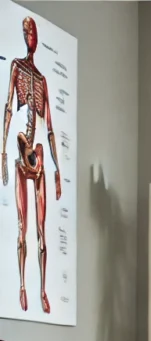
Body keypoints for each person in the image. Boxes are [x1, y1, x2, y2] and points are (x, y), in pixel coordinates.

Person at [2, 15, 61, 315]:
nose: (30, 35)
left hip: (37, 156)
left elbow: (49, 127)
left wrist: (58, 171)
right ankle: (23, 286)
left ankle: (42, 290)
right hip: (20, 149)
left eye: (33, 31)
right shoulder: (16, 67)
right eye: (27, 31)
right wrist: (2, 153)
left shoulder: (42, 80)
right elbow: (9, 108)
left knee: (42, 230)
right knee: (23, 227)